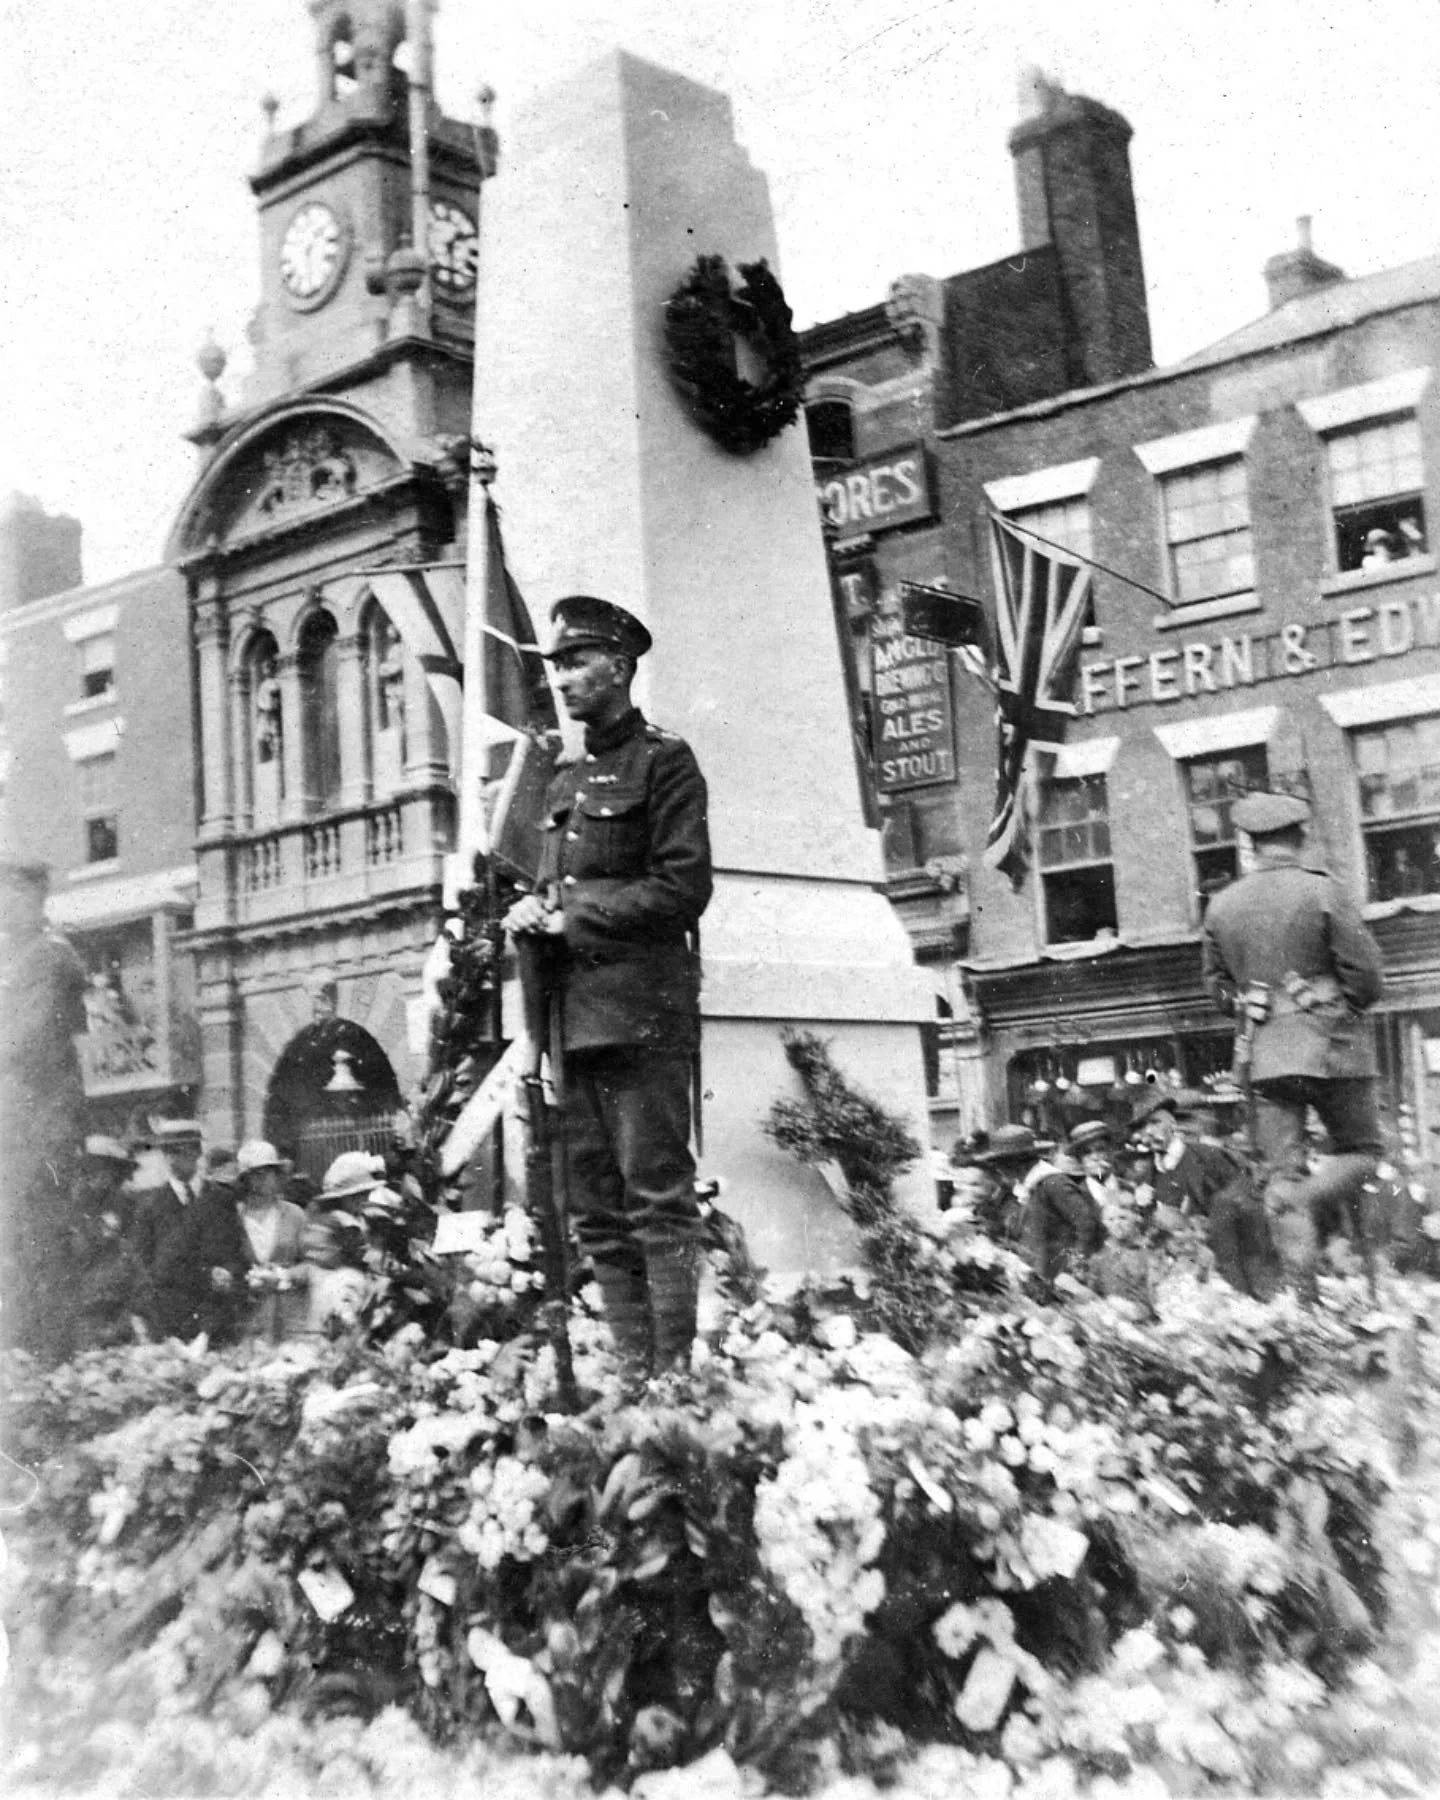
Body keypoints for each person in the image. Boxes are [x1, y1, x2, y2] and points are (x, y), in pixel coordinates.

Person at [503, 595, 712, 1381]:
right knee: (595, 1209)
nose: (561, 678)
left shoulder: (665, 762)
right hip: (573, 1025)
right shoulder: (563, 778)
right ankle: (633, 1371)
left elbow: (683, 888)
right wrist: (535, 908)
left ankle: (674, 1378)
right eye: (556, 664)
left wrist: (574, 917)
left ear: (620, 668)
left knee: (656, 1199)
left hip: (642, 1017)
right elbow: (556, 886)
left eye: (577, 662)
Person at [1202, 790, 1385, 1295]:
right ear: (1300, 838)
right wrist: (1332, 1000)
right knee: (1365, 1151)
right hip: (1334, 1047)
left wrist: (1254, 1004)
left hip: (1265, 1057)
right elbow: (1368, 979)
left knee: (1278, 1178)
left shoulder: (1220, 906)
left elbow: (1217, 989)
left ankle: (1301, 1304)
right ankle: (1310, 1198)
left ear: (1250, 844)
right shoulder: (1324, 891)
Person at [0, 856, 88, 1359]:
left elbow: (28, 1037)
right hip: (17, 1122)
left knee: (42, 1245)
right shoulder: (15, 958)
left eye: (14, 896)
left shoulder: (51, 958)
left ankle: (48, 1356)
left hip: (44, 1123)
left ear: (36, 899)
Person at [130, 1120, 249, 1341]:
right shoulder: (149, 1206)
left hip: (217, 1319)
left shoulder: (221, 1199)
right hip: (170, 1324)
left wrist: (228, 1273)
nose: (172, 1158)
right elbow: (143, 1266)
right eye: (166, 1151)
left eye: (179, 1150)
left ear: (197, 1151)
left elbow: (237, 1255)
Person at [973, 1124, 1101, 1295]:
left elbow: (1087, 1225)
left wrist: (1073, 1268)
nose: (999, 1170)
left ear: (1015, 1161)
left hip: (1062, 1279)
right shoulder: (1025, 1187)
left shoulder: (1054, 1183)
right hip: (1039, 1278)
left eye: (1000, 1163)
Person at [67, 1135, 146, 1352]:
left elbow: (135, 1257)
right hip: (84, 1310)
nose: (100, 1177)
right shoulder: (74, 1209)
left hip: (120, 1305)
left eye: (107, 1170)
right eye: (93, 1170)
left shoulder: (126, 1206)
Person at [235, 1139, 310, 1340]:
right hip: (249, 1319)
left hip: (290, 1317)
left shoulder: (294, 1215)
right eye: (256, 1174)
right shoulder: (235, 1219)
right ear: (246, 1179)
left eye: (269, 1172)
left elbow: (310, 1264)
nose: (264, 1179)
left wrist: (283, 1276)